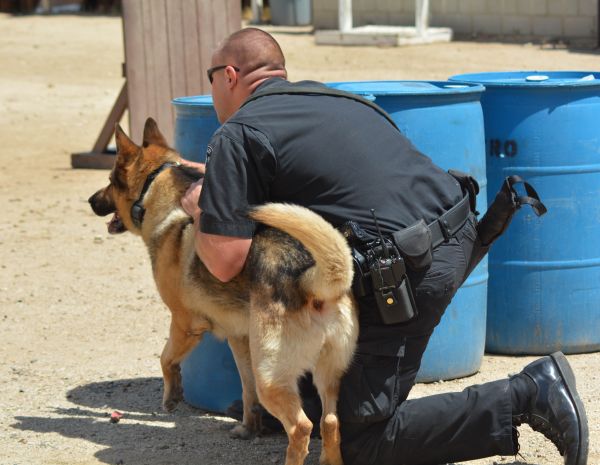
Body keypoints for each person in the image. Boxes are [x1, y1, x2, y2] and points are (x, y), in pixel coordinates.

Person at [180, 27, 588, 465]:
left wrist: (201, 209)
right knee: (321, 374)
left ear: (228, 75)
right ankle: (314, 409)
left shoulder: (238, 132)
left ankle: (527, 394)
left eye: (209, 78)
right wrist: (230, 186)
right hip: (458, 235)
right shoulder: (337, 99)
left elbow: (226, 260)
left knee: (359, 445)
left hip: (404, 275)